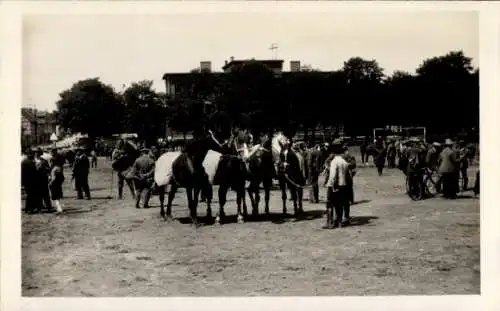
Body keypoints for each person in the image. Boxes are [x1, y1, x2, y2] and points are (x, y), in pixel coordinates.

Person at [324, 140, 350, 229]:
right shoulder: (344, 162)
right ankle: (339, 222)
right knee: (340, 204)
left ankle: (330, 222)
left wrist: (330, 185)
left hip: (334, 185)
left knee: (329, 203)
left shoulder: (334, 161)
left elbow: (332, 176)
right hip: (343, 185)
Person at [21, 148, 40, 214]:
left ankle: (28, 208)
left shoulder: (23, 162)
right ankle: (30, 209)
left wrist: (22, 183)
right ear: (29, 154)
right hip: (32, 181)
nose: (33, 155)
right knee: (31, 195)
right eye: (32, 154)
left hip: (27, 181)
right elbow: (35, 172)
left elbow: (22, 173)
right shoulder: (31, 162)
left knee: (29, 195)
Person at [35, 147, 53, 212]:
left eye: (38, 153)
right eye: (36, 152)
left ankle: (48, 207)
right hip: (36, 179)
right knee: (38, 194)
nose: (36, 154)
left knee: (45, 194)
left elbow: (49, 169)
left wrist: (44, 169)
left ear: (40, 154)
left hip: (43, 178)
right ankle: (39, 207)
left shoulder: (44, 161)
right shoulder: (33, 161)